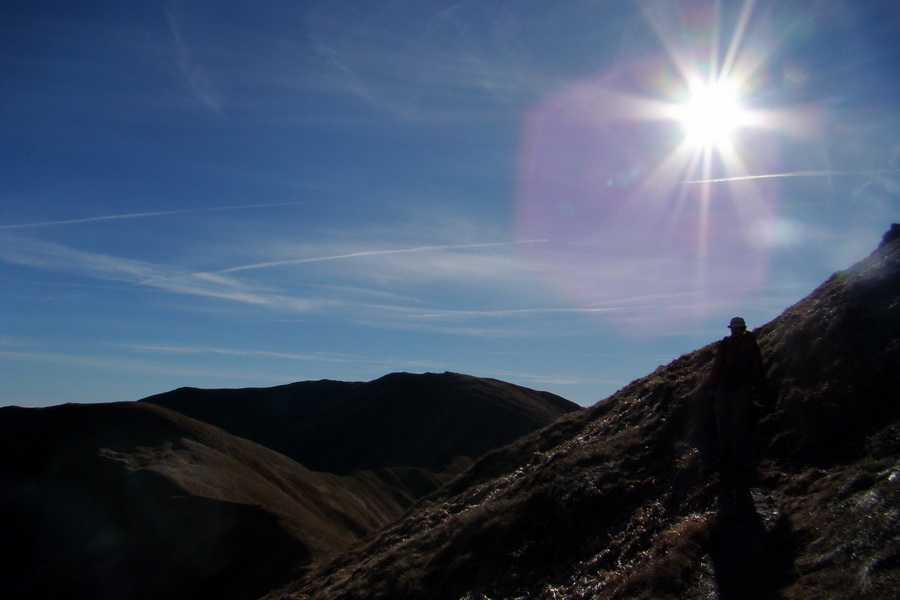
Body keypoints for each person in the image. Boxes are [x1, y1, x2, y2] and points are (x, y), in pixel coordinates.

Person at [707, 316, 765, 472]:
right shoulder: (726, 345)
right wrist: (712, 386)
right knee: (723, 423)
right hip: (725, 387)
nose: (735, 331)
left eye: (737, 328)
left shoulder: (749, 345)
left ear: (743, 329)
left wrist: (758, 389)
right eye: (733, 328)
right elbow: (717, 366)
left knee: (738, 424)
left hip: (742, 388)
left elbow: (756, 367)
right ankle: (726, 455)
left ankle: (736, 457)